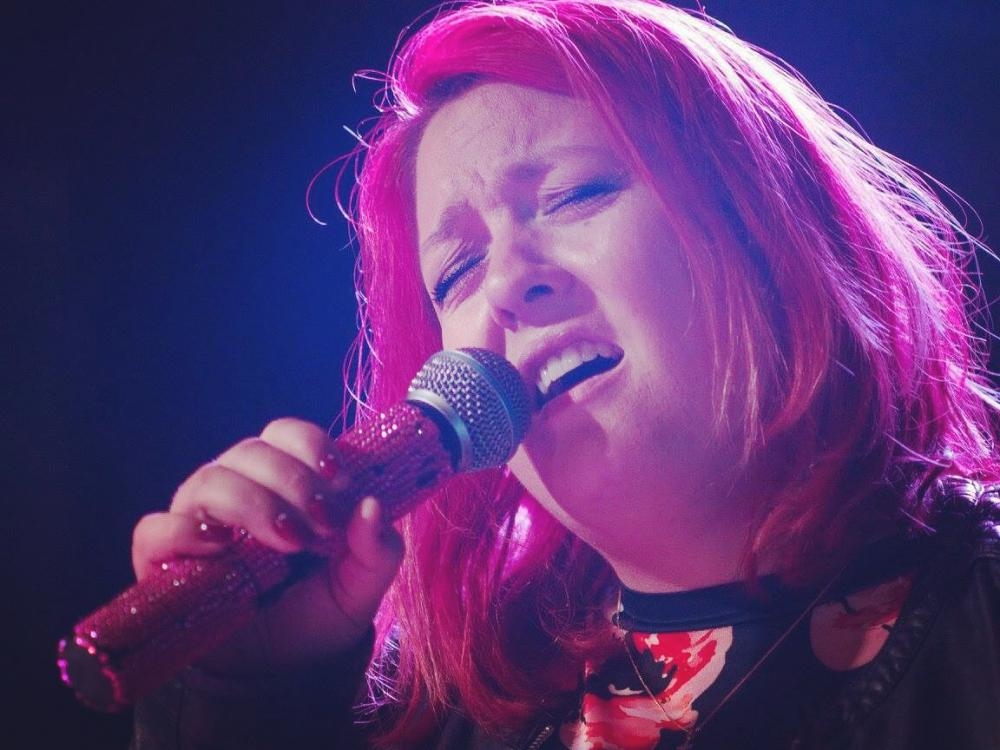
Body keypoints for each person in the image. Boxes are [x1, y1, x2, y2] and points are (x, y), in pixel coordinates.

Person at [128, 1, 1000, 748]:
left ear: (774, 221)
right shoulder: (439, 715)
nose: (507, 284)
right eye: (457, 272)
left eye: (575, 195)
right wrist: (245, 698)